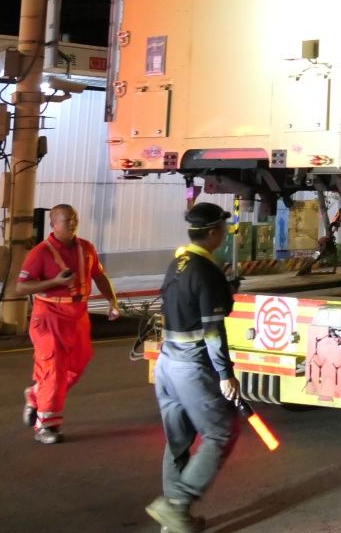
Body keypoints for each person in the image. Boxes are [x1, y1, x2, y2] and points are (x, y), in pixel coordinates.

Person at [147, 203, 240, 533]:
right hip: (190, 364)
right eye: (224, 229)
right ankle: (178, 504)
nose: (227, 234)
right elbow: (213, 331)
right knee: (222, 432)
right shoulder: (206, 270)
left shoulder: (177, 263)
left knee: (178, 440)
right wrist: (226, 374)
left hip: (166, 363)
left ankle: (175, 523)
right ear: (214, 232)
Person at [15, 204, 119, 444]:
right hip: (49, 316)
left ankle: (35, 395)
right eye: (66, 220)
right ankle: (47, 426)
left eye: (74, 218)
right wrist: (52, 282)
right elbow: (21, 288)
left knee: (77, 364)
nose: (72, 223)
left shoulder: (87, 247)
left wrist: (113, 302)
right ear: (53, 224)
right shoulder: (40, 253)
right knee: (54, 369)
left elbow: (99, 276)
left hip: (77, 316)